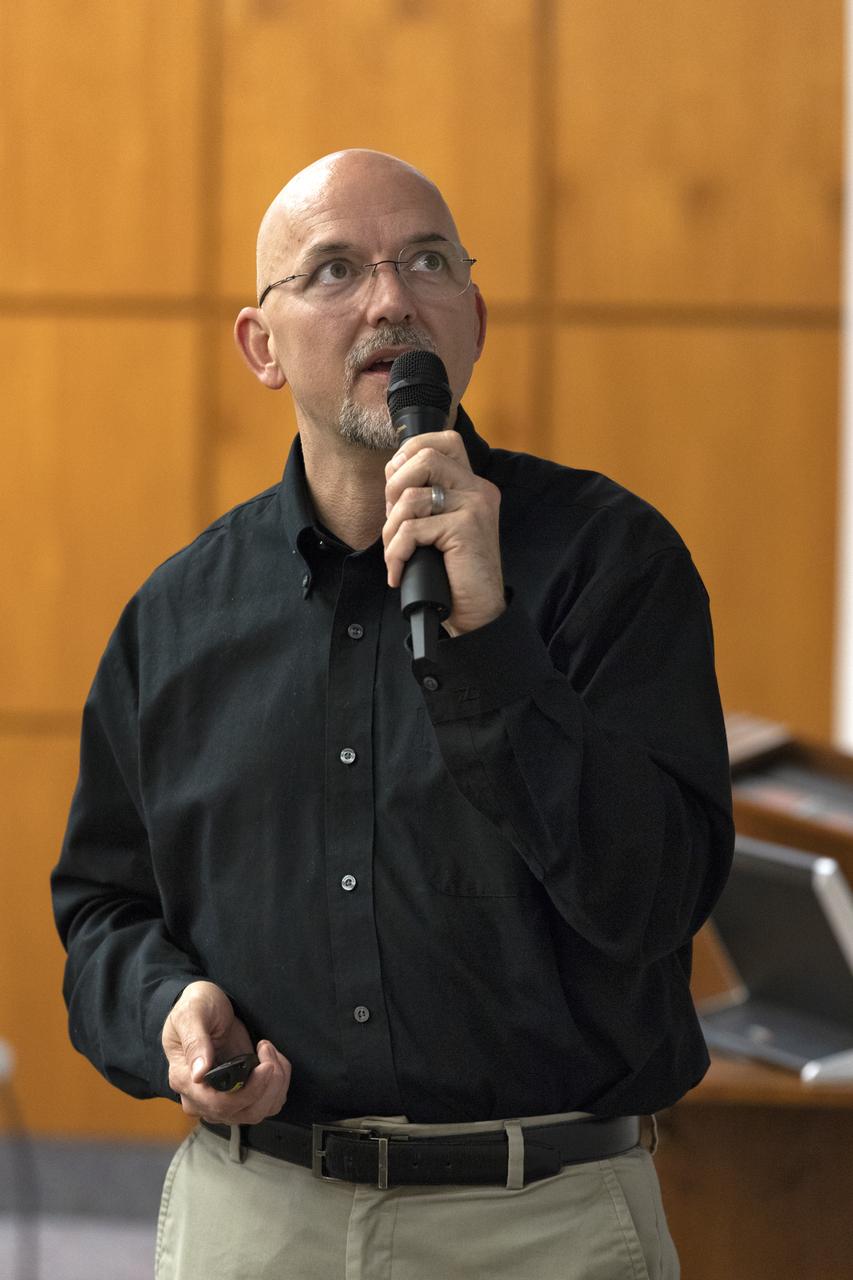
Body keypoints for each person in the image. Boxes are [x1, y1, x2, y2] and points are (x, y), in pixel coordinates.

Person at [52, 149, 733, 1279]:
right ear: (261, 346)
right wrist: (167, 1008)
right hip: (260, 1219)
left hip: (546, 1223)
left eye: (425, 261)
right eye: (332, 270)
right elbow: (102, 910)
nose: (389, 300)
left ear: (474, 316)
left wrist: (487, 643)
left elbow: (653, 897)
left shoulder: (613, 564)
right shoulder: (176, 616)